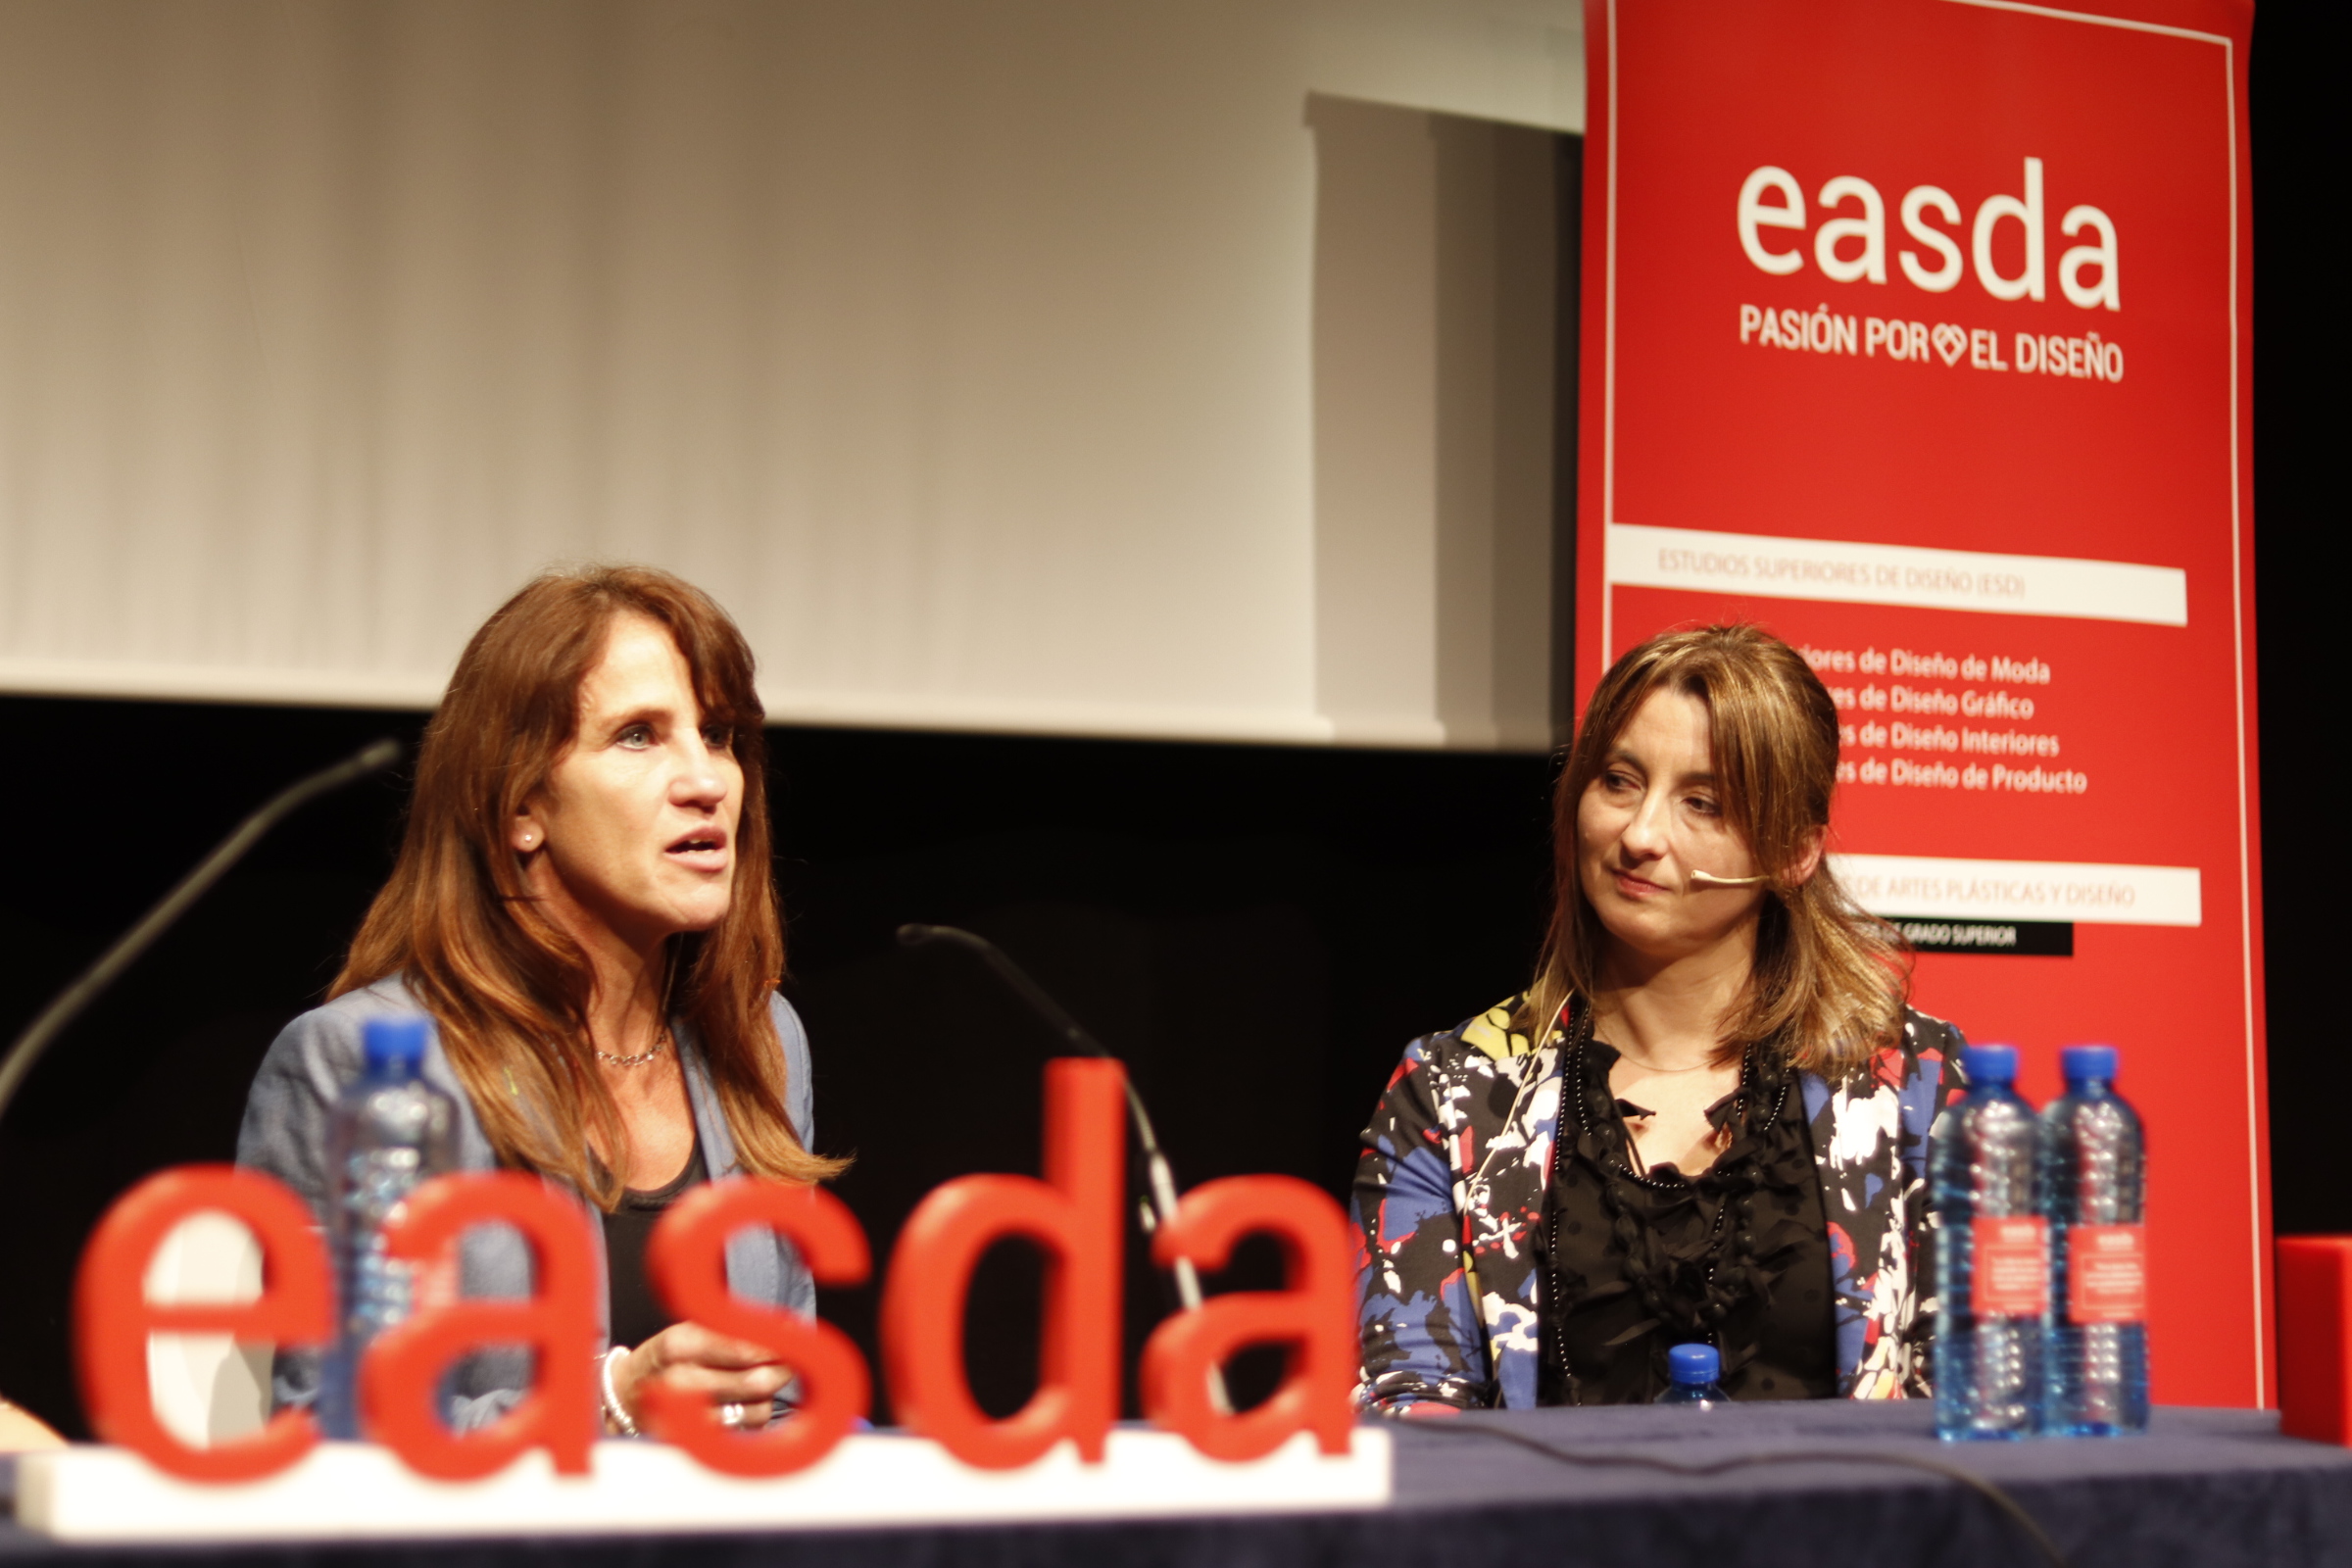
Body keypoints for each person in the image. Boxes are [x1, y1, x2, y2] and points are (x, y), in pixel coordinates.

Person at [239, 564, 844, 1435]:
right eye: (638, 736)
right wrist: (610, 1405)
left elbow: (783, 1394)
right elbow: (343, 1427)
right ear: (522, 805)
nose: (706, 780)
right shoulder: (362, 1063)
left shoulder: (759, 1038)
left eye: (717, 736)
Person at [1352, 624, 1963, 1411]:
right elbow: (1410, 1405)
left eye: (1702, 803)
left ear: (1795, 853)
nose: (1640, 835)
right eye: (1618, 781)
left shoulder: (1916, 1083)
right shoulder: (1452, 1094)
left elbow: (1981, 1400)